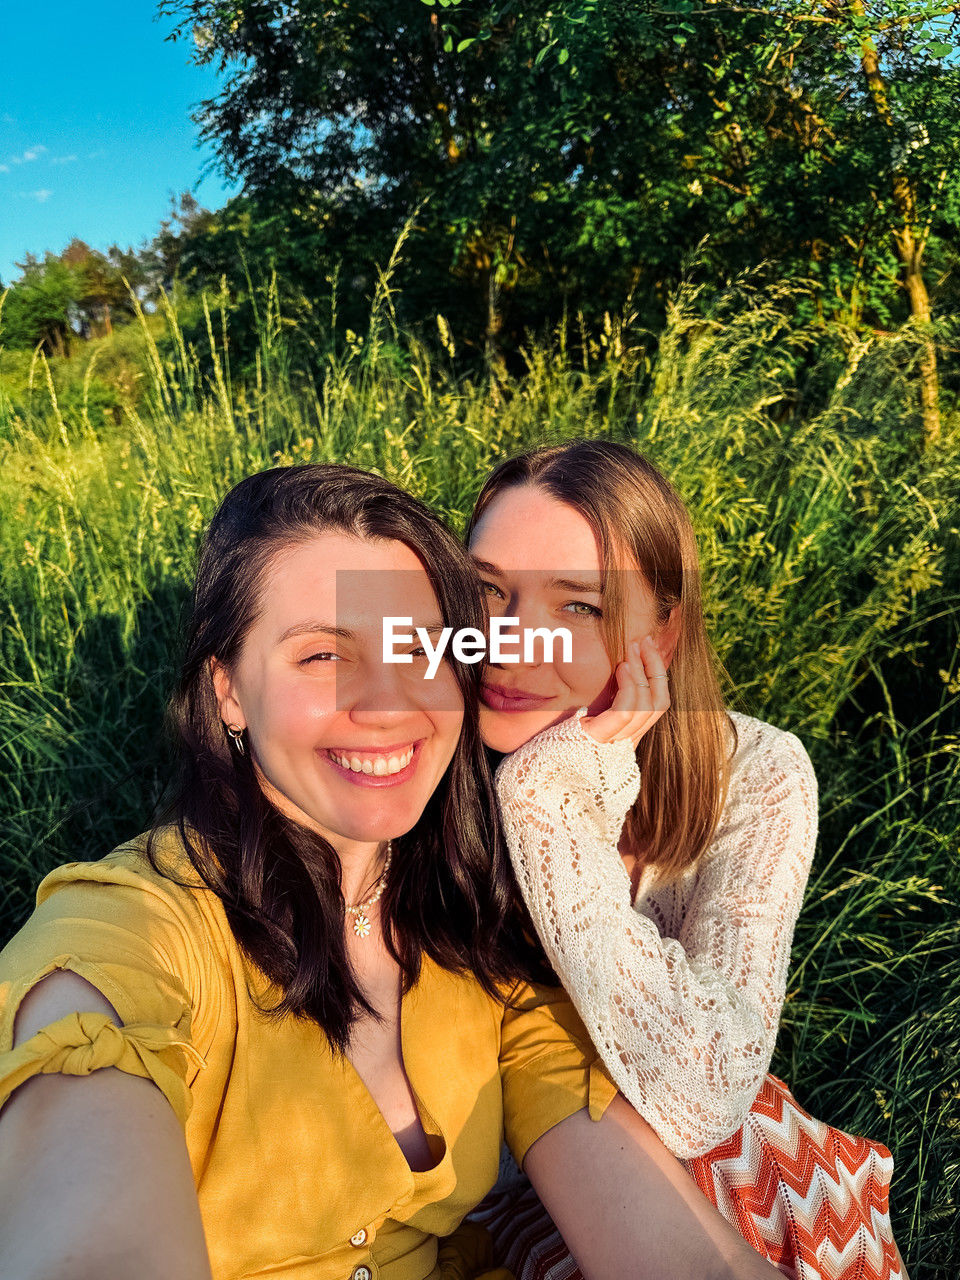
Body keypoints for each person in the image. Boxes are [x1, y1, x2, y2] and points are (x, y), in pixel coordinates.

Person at [0, 463, 781, 1280]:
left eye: (420, 648)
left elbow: (685, 1250)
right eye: (322, 655)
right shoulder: (140, 930)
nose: (386, 704)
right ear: (228, 689)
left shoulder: (470, 935)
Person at [466, 440, 907, 1280]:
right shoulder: (404, 769)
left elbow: (702, 1089)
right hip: (521, 1172)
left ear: (660, 636)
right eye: (487, 592)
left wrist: (548, 796)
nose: (512, 642)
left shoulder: (754, 772)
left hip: (712, 1142)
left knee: (738, 1150)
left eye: (581, 609)